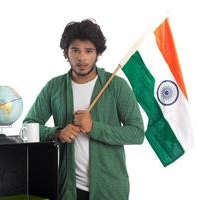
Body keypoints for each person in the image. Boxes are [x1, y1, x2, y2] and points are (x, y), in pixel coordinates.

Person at [23, 19, 144, 200]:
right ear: (66, 52)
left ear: (98, 54)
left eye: (89, 51)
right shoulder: (54, 87)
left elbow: (137, 133)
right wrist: (57, 132)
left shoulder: (117, 86)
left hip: (110, 190)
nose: (82, 58)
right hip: (68, 189)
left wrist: (94, 127)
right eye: (75, 50)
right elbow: (27, 127)